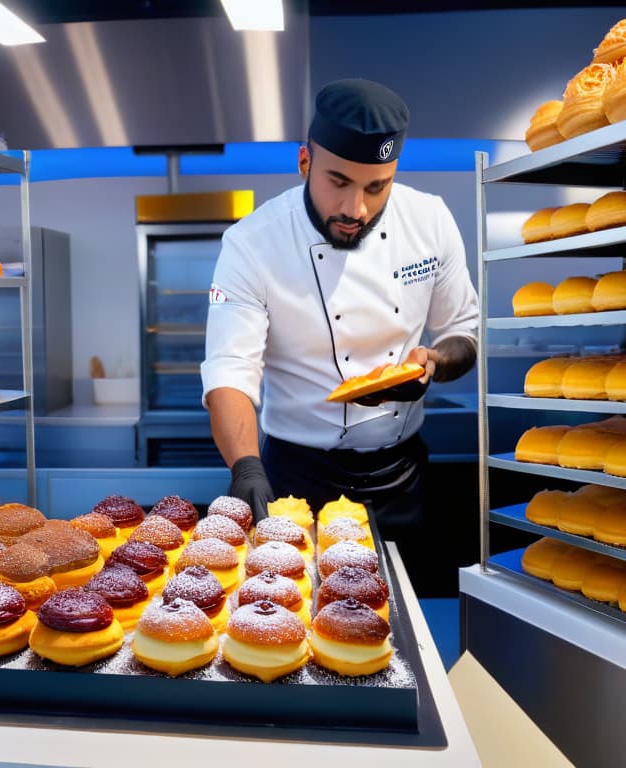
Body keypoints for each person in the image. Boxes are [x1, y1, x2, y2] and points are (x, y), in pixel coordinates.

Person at [201, 78, 479, 554]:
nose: (357, 208)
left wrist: (433, 361)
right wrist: (246, 467)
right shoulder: (252, 242)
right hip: (295, 476)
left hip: (402, 471)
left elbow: (463, 333)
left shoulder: (430, 220)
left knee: (397, 609)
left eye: (377, 187)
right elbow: (230, 369)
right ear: (304, 161)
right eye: (339, 182)